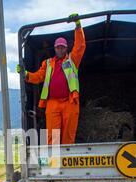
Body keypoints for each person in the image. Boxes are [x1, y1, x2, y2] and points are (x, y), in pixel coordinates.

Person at [17, 13, 86, 145]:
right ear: (54, 48)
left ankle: (67, 163)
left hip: (69, 102)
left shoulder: (72, 60)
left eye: (62, 47)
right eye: (58, 47)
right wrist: (25, 74)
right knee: (52, 137)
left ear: (66, 48)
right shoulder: (47, 63)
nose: (60, 49)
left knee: (68, 136)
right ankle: (53, 164)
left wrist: (78, 26)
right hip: (52, 103)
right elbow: (38, 77)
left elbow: (80, 46)